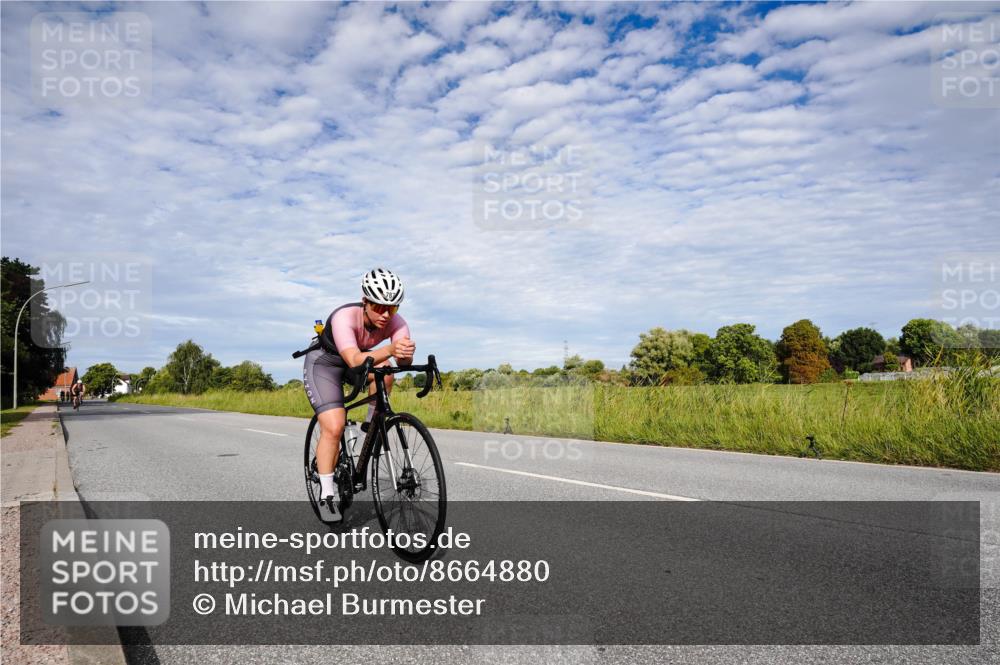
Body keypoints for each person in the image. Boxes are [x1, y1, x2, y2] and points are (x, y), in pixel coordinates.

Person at [302, 268, 415, 522]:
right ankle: (327, 494)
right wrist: (391, 348)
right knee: (334, 425)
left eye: (393, 308)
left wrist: (406, 354)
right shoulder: (345, 317)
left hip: (358, 363)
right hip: (325, 365)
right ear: (365, 302)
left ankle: (369, 427)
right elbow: (353, 360)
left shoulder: (398, 323)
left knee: (386, 371)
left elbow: (402, 362)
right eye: (379, 306)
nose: (386, 315)